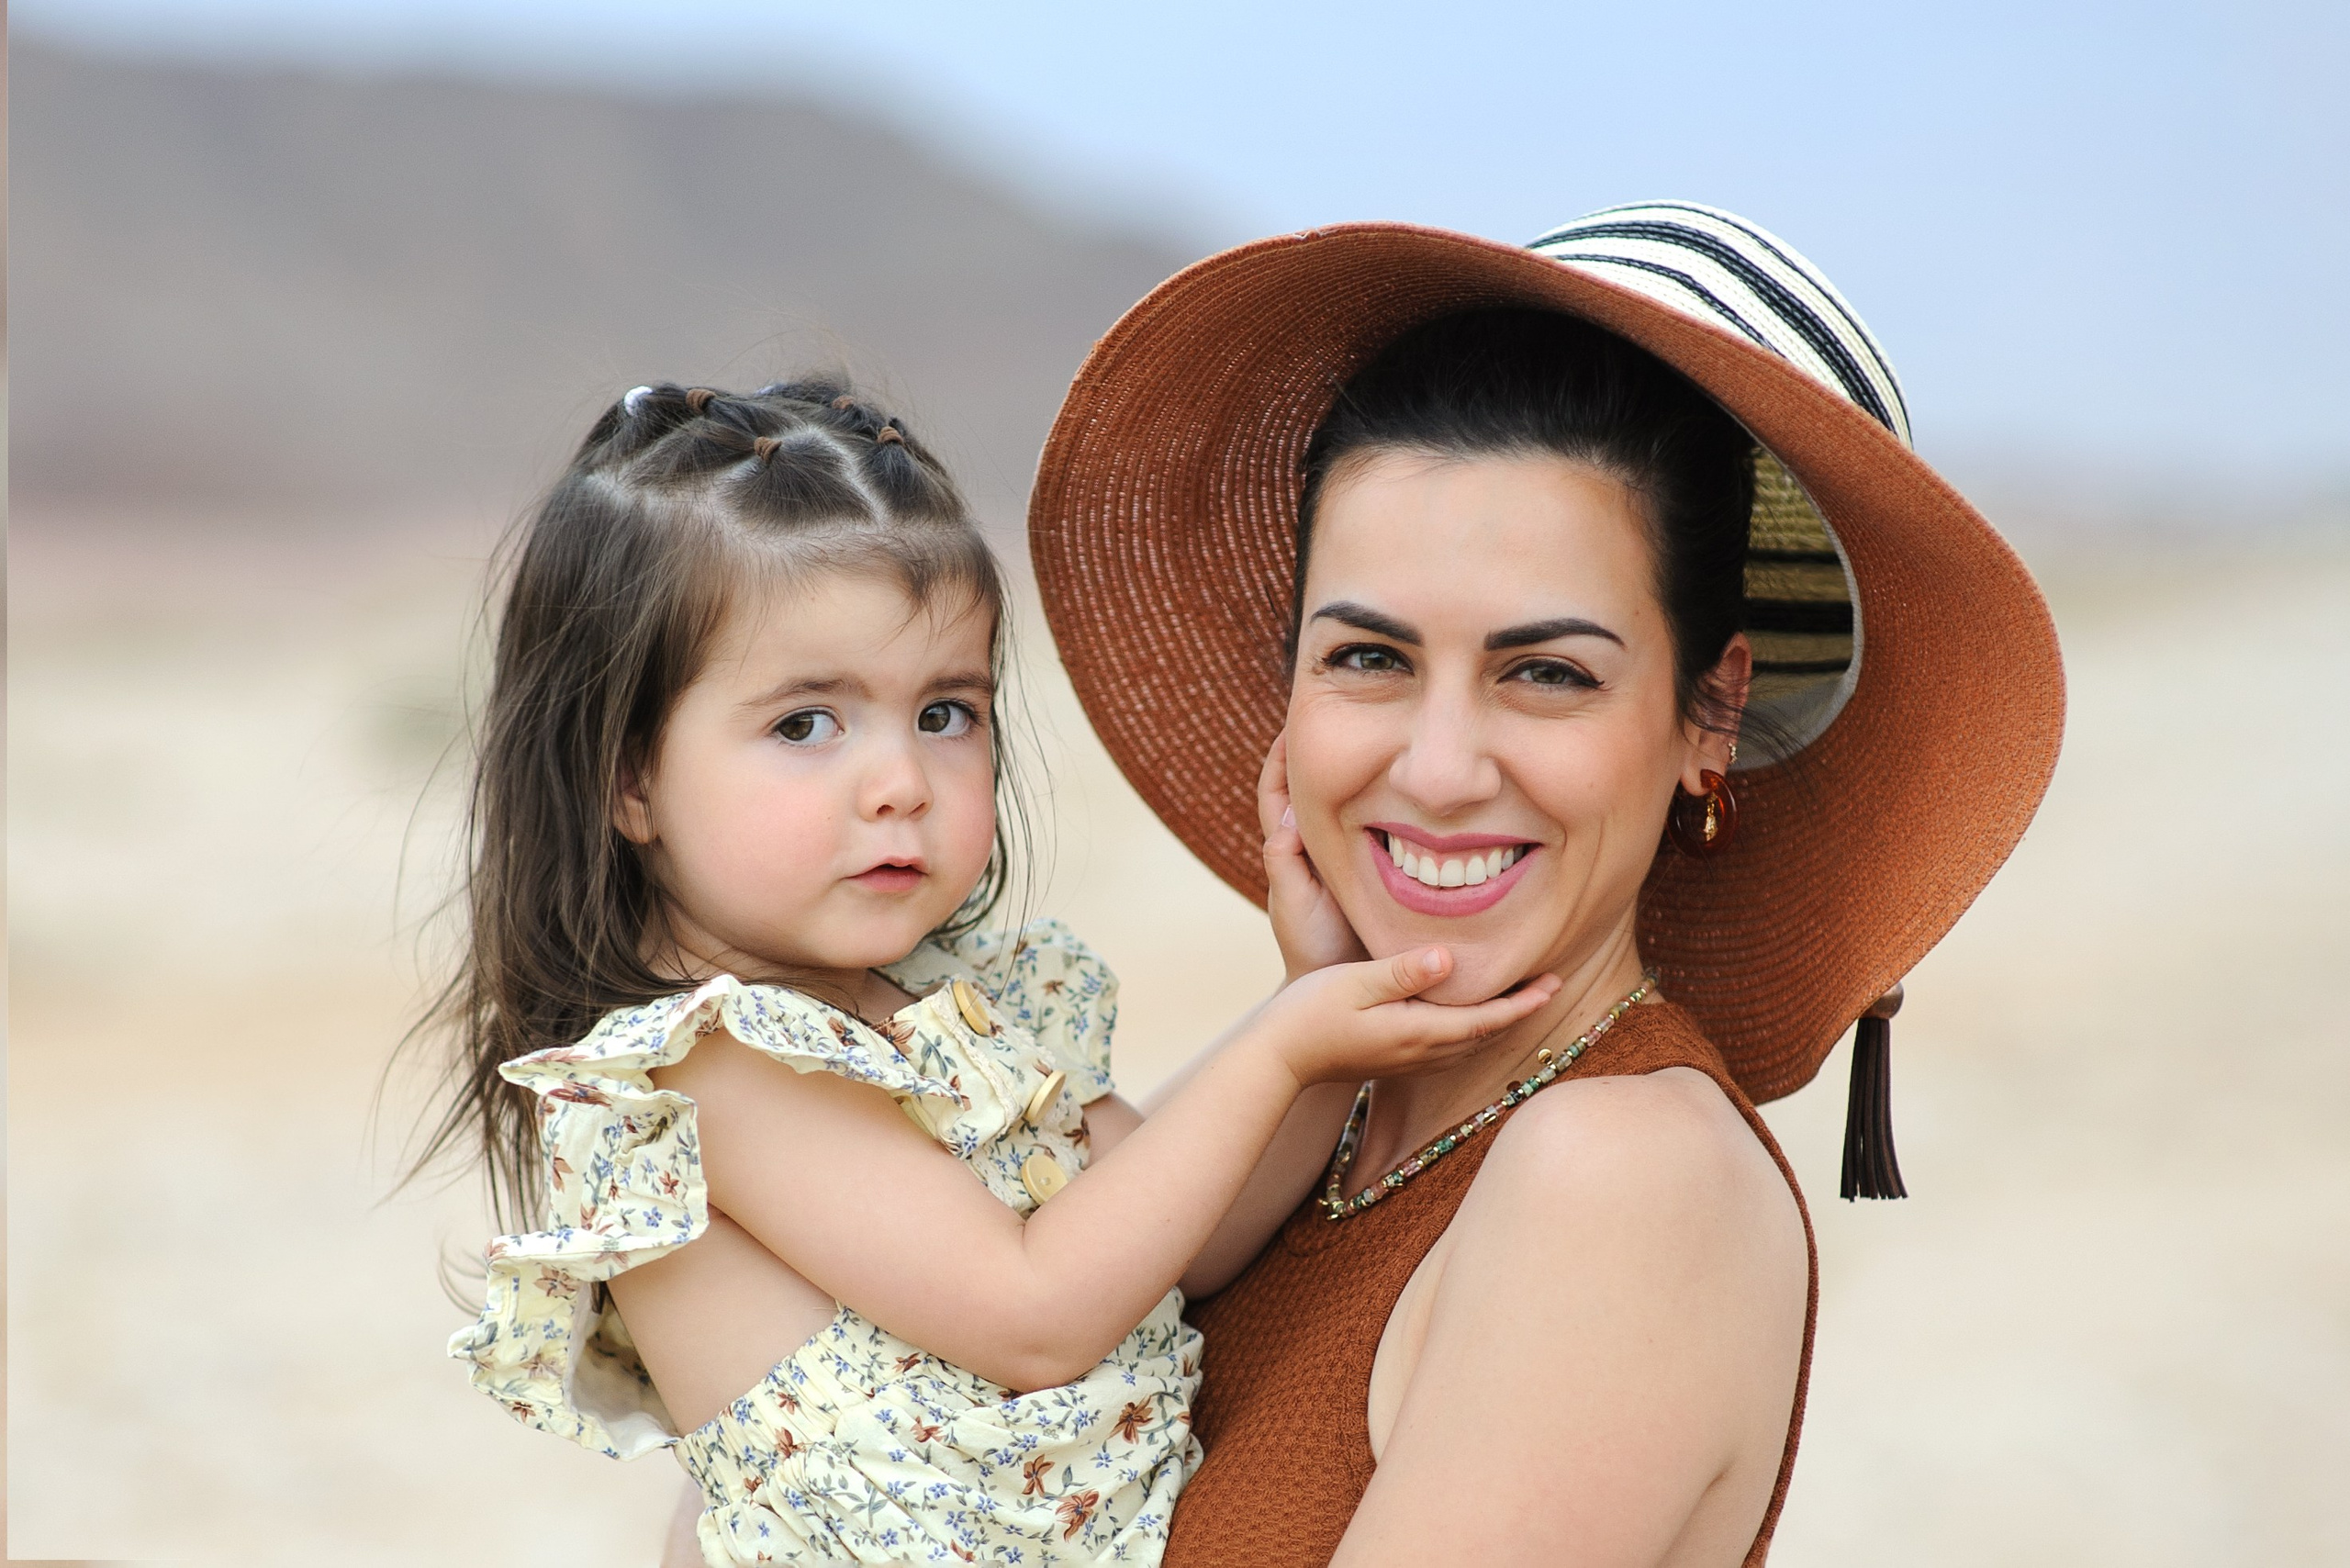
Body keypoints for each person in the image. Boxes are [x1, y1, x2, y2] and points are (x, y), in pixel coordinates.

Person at [1025, 203, 2065, 1565]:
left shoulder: (1621, 1182)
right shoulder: (1300, 1123)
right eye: (1369, 659)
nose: (1439, 769)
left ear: (1708, 714)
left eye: (1547, 674)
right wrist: (1308, 1026)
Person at [421, 377, 1564, 1565]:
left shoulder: (944, 1003)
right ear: (629, 779)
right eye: (806, 724)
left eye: (945, 713)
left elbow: (1182, 1235)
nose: (901, 784)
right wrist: (1284, 1049)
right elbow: (1037, 1314)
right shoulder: (704, 1071)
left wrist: (1309, 1019)